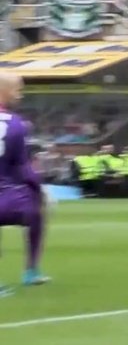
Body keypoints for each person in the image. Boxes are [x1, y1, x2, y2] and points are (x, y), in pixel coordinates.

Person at [0, 72, 51, 295]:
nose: (20, 96)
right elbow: (23, 168)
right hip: (8, 198)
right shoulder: (16, 124)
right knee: (38, 209)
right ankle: (31, 270)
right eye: (17, 90)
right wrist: (38, 188)